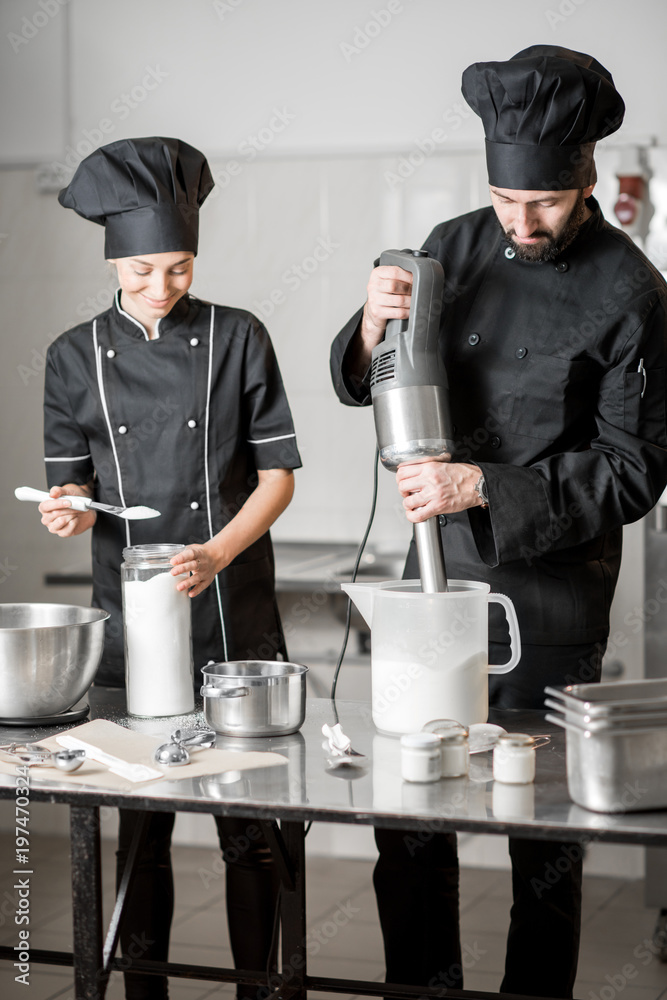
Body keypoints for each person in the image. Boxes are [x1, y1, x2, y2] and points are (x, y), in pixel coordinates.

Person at [331, 45, 667, 998]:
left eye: (541, 205)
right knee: (411, 827)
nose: (518, 224)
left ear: (586, 176)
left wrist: (479, 486)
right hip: (432, 589)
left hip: (551, 603)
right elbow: (381, 375)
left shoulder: (632, 296)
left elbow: (633, 473)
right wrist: (367, 328)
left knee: (537, 847)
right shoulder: (455, 242)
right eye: (502, 199)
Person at [38, 136, 302, 1000]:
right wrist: (67, 509)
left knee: (249, 831)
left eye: (180, 269)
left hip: (233, 615)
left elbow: (277, 478)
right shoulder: (72, 356)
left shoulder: (238, 338)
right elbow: (69, 490)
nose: (162, 288)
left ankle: (260, 992)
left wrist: (219, 551)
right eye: (145, 270)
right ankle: (142, 991)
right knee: (140, 832)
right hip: (131, 627)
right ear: (114, 258)